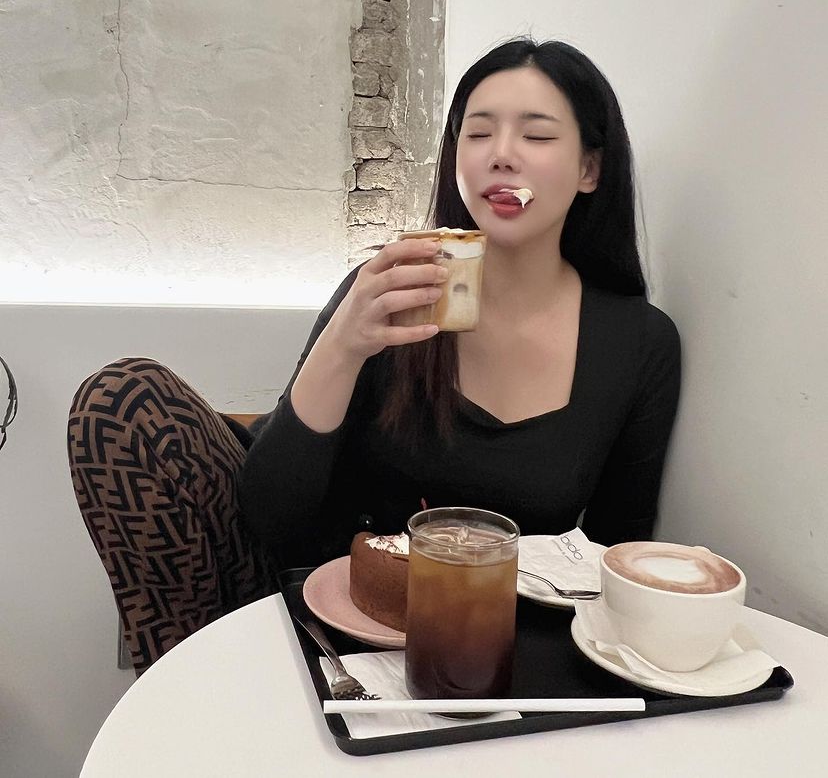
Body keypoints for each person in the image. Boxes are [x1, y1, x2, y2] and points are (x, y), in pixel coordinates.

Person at [239, 37, 681, 570]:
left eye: (537, 135)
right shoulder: (390, 294)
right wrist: (342, 346)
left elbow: (616, 555)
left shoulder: (638, 343)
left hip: (517, 618)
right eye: (478, 133)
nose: (501, 155)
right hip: (348, 608)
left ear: (590, 169)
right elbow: (270, 519)